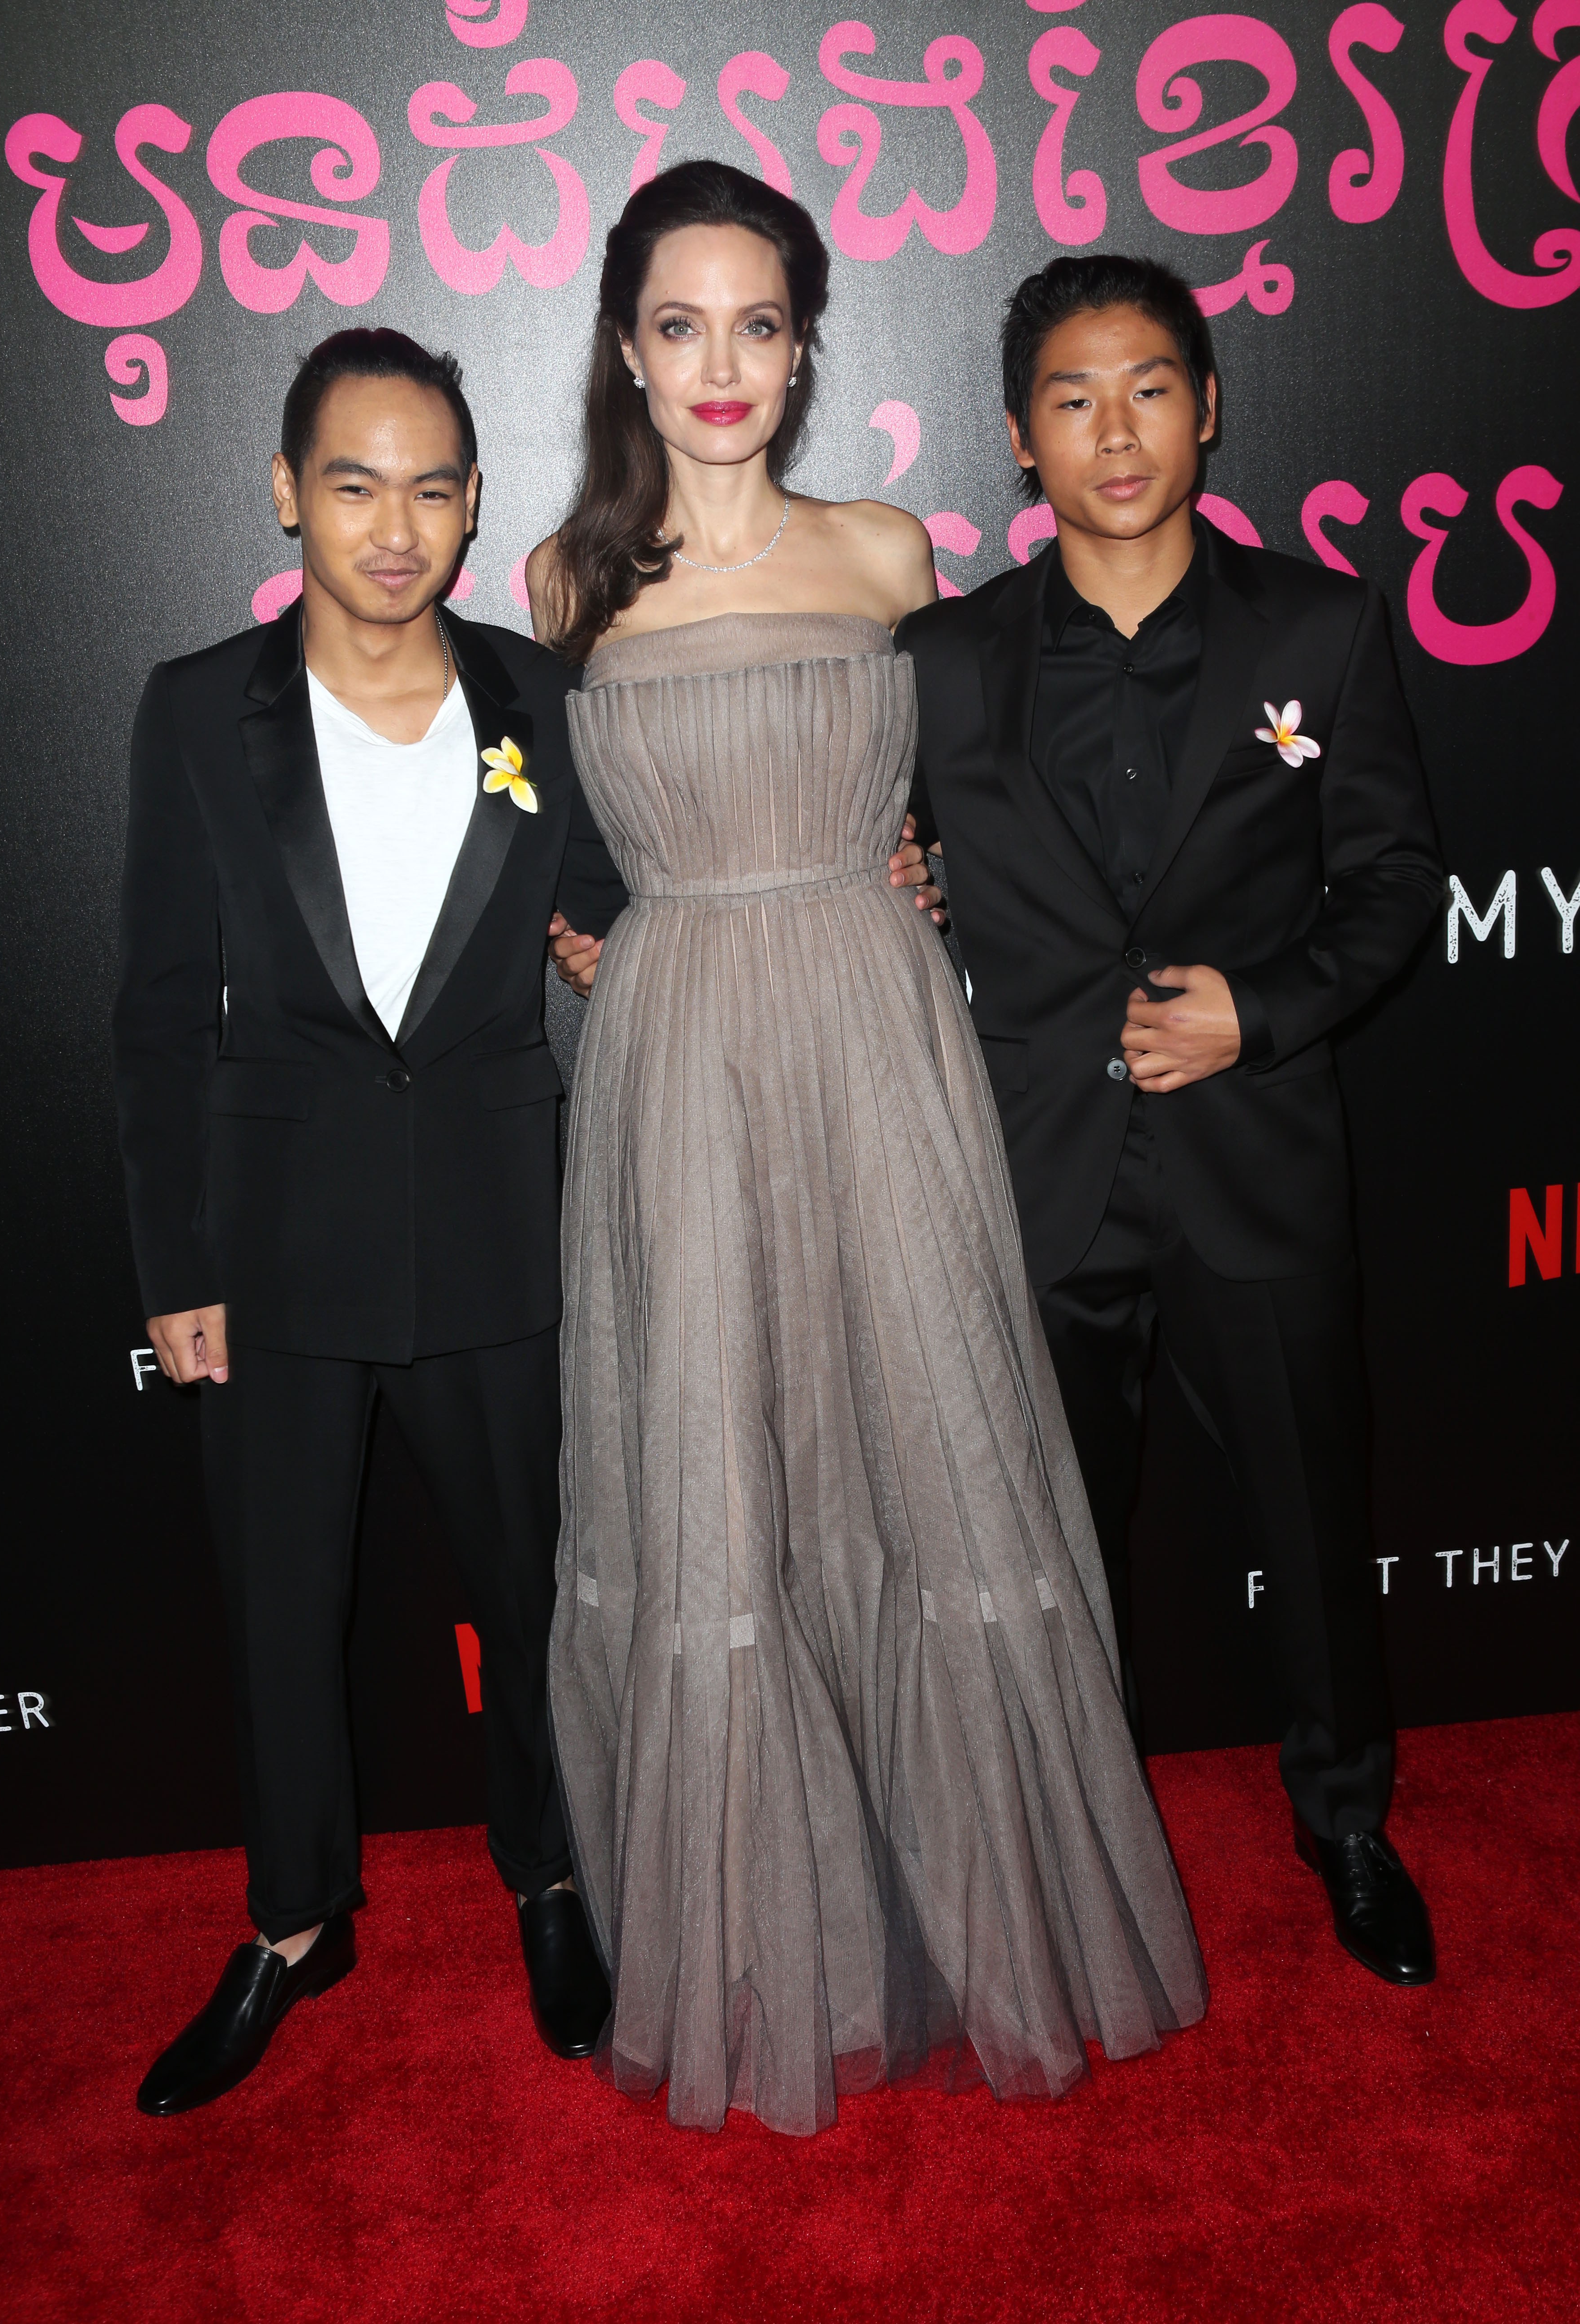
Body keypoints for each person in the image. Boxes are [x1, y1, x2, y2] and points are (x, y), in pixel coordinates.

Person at [534, 161, 1206, 2139]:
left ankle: (972, 1898)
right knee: (718, 1486)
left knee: (928, 1457)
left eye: (758, 323)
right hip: (679, 1066)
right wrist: (589, 919)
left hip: (876, 1042)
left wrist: (925, 877)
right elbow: (538, 841)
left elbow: (988, 808)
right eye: (680, 325)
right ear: (627, 348)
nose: (720, 364)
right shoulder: (570, 586)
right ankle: (761, 1943)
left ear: (806, 342)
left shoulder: (891, 553)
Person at [900, 256, 1443, 1987]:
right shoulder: (939, 662)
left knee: (1313, 1520)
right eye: (1072, 399)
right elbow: (882, 872)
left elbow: (1396, 885)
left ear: (1206, 407)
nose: (1115, 430)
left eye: (1147, 389)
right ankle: (1069, 1842)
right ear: (1020, 437)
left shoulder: (1319, 628)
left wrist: (1256, 1010)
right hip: (1037, 1175)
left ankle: (1346, 1822)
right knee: (1049, 1555)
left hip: (1254, 1164)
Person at [112, 329, 631, 2112]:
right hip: (274, 1246)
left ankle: (551, 1877)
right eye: (354, 484)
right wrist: (176, 1262)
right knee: (281, 1608)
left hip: (500, 1228)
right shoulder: (198, 709)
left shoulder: (541, 698)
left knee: (540, 1594)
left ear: (473, 505)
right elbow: (158, 1008)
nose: (393, 527)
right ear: (288, 494)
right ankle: (292, 1918)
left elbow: (619, 910)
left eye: (429, 489)